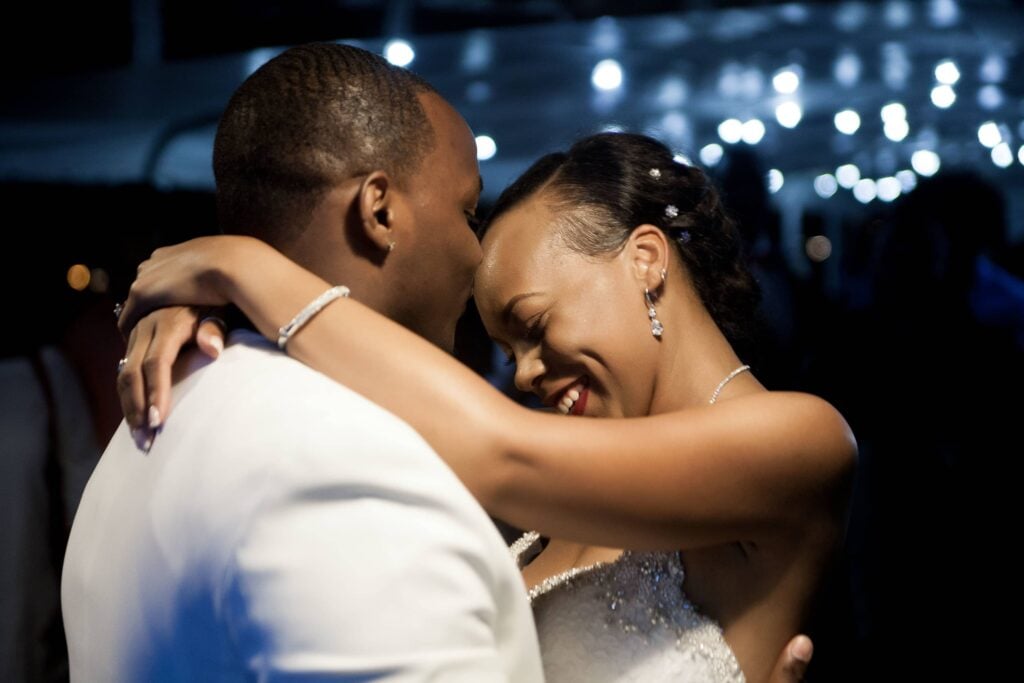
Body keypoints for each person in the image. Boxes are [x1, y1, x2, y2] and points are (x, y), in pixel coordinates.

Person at [117, 132, 850, 680]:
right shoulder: (556, 486)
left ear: (646, 260)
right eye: (506, 352)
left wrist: (243, 266)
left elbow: (499, 448)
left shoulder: (803, 440)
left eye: (532, 326)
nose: (526, 373)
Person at [61, 42, 544, 682]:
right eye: (467, 212)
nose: (475, 253)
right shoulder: (343, 462)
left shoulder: (151, 424)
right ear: (378, 211)